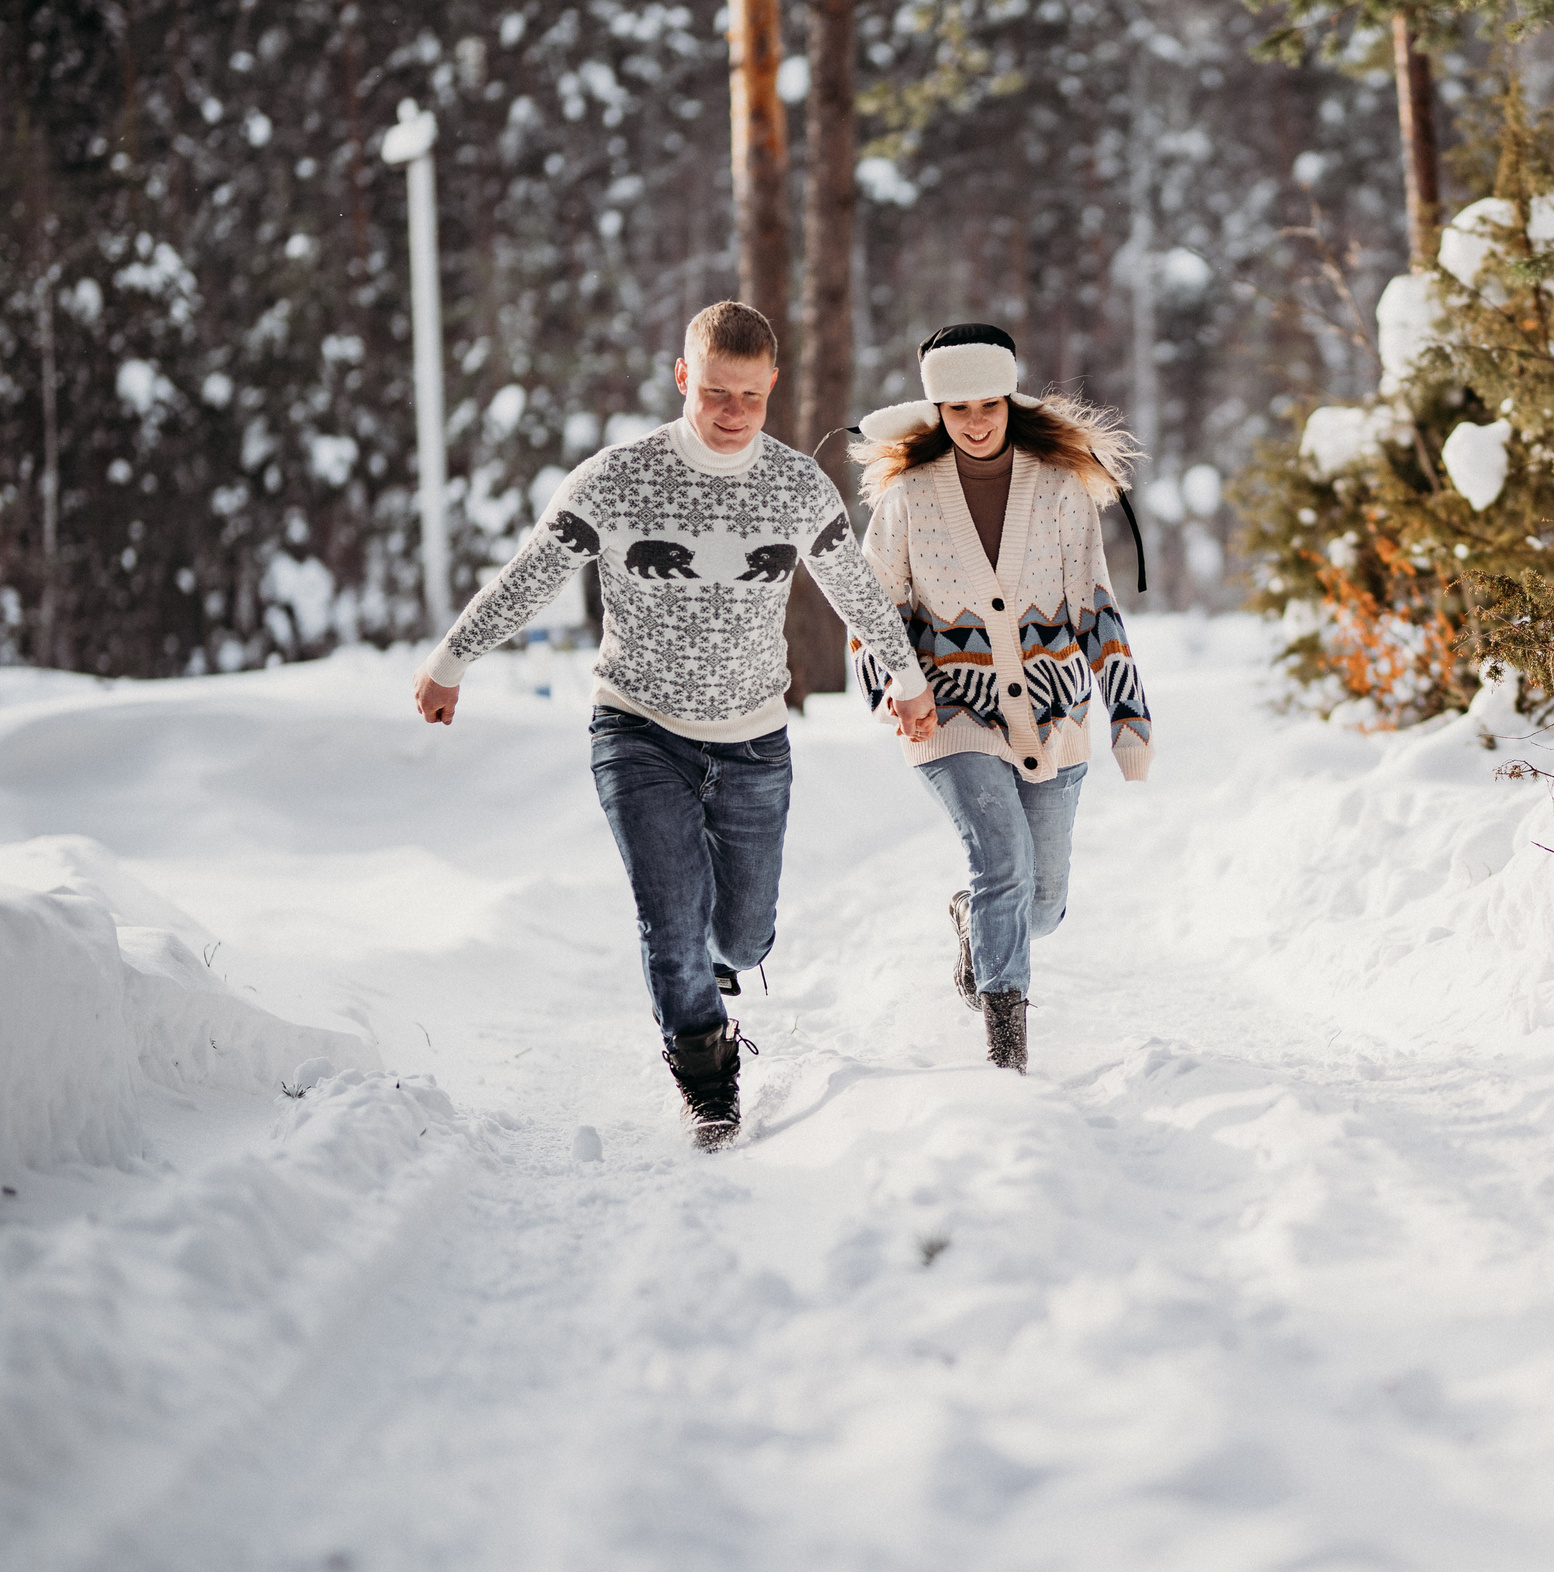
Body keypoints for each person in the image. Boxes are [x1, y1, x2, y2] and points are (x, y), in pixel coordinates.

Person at [411, 301, 936, 1146]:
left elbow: (856, 592)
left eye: (750, 397)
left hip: (755, 736)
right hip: (637, 727)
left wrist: (906, 680)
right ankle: (707, 1074)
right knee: (671, 914)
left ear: (773, 386)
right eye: (715, 392)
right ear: (683, 378)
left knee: (745, 931)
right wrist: (452, 658)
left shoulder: (797, 485)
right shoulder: (618, 478)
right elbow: (532, 575)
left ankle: (719, 972)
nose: (732, 413)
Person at [849, 324, 1155, 1072]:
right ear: (938, 412)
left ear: (1010, 401)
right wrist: (898, 682)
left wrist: (1129, 712)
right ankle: (1006, 1060)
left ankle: (972, 923)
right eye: (959, 409)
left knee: (1040, 907)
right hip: (948, 712)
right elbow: (868, 610)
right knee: (1003, 865)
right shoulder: (908, 499)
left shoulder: (1060, 491)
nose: (978, 421)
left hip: (1054, 718)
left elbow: (1095, 607)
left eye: (990, 403)